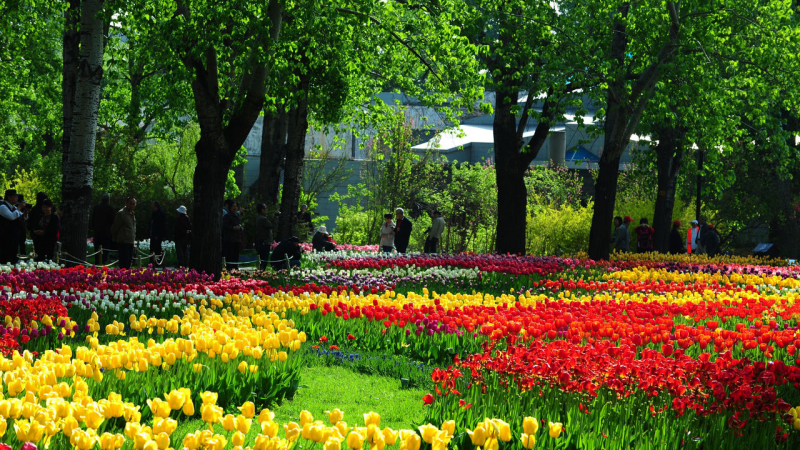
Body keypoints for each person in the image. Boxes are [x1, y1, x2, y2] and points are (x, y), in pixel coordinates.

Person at [0, 189, 26, 264]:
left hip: (14, 237)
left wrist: (25, 211)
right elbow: (11, 216)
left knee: (13, 257)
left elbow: (22, 217)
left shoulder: (14, 208)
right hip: (5, 236)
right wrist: (19, 208)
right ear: (9, 197)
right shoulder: (2, 207)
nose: (17, 198)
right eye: (15, 196)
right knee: (5, 257)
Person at [111, 197, 137, 269]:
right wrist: (114, 238)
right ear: (126, 203)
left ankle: (127, 278)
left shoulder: (132, 214)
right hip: (123, 242)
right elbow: (115, 227)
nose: (132, 206)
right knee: (123, 263)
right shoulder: (121, 213)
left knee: (129, 263)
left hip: (130, 242)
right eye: (130, 203)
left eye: (134, 204)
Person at [92, 194, 116, 264]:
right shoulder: (110, 208)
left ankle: (97, 260)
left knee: (97, 247)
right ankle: (104, 261)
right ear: (108, 200)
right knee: (105, 247)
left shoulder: (96, 208)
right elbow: (113, 220)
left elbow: (93, 220)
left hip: (97, 231)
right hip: (106, 231)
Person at [222, 201, 243, 270]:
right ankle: (229, 268)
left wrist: (240, 228)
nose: (235, 208)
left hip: (237, 239)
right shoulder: (227, 216)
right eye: (233, 206)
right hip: (229, 239)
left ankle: (235, 268)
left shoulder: (237, 216)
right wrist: (233, 228)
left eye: (236, 206)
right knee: (229, 255)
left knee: (236, 255)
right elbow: (225, 227)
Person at [255, 204, 277, 268]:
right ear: (262, 210)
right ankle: (261, 272)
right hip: (264, 242)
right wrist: (275, 217)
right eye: (265, 209)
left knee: (262, 259)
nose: (266, 210)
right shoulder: (263, 219)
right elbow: (272, 226)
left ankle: (260, 271)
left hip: (261, 241)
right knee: (264, 259)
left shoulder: (259, 217)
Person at [149, 201, 167, 266]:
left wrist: (158, 234)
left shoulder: (161, 213)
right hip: (153, 234)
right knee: (152, 248)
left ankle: (157, 262)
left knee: (157, 248)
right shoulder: (154, 213)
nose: (151, 206)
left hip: (157, 235)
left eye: (152, 205)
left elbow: (161, 225)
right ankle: (152, 262)